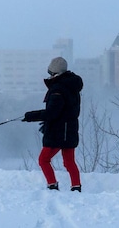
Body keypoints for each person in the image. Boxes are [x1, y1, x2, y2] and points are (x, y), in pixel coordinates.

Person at [22, 57, 83, 192]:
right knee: (69, 162)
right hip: (70, 130)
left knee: (43, 160)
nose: (49, 75)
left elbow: (51, 113)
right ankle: (76, 187)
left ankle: (52, 185)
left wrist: (30, 116)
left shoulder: (57, 90)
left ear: (55, 73)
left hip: (57, 132)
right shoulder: (72, 87)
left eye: (50, 73)